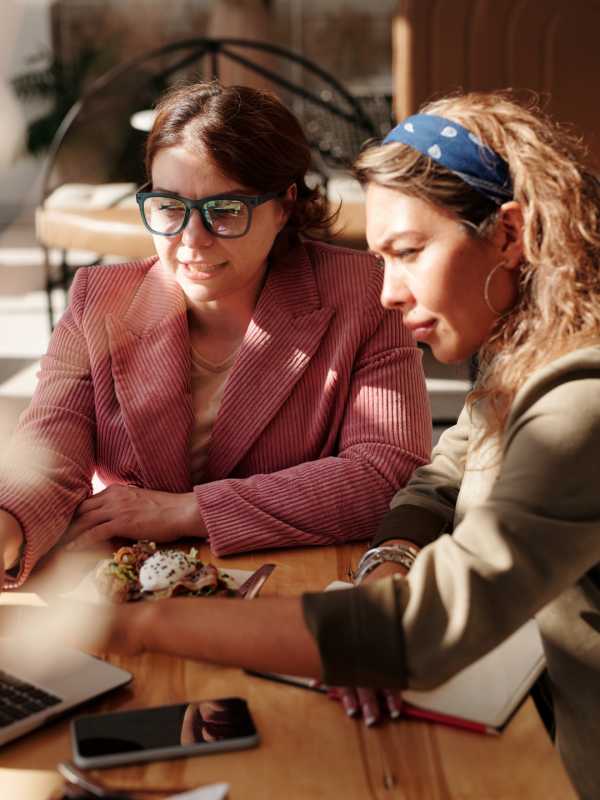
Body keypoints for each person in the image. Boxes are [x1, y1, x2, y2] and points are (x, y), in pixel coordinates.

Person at [80, 91, 600, 800]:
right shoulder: (525, 347)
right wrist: (388, 562)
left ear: (509, 235)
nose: (384, 293)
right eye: (381, 257)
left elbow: (421, 631)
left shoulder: (580, 400)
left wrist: (145, 622)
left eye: (409, 253)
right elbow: (445, 471)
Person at [0, 83, 431, 586]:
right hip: (130, 589)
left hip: (293, 584)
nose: (191, 239)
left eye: (225, 210)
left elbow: (385, 473)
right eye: (168, 205)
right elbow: (47, 460)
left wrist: (186, 512)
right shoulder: (97, 300)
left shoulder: (364, 294)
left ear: (284, 206)